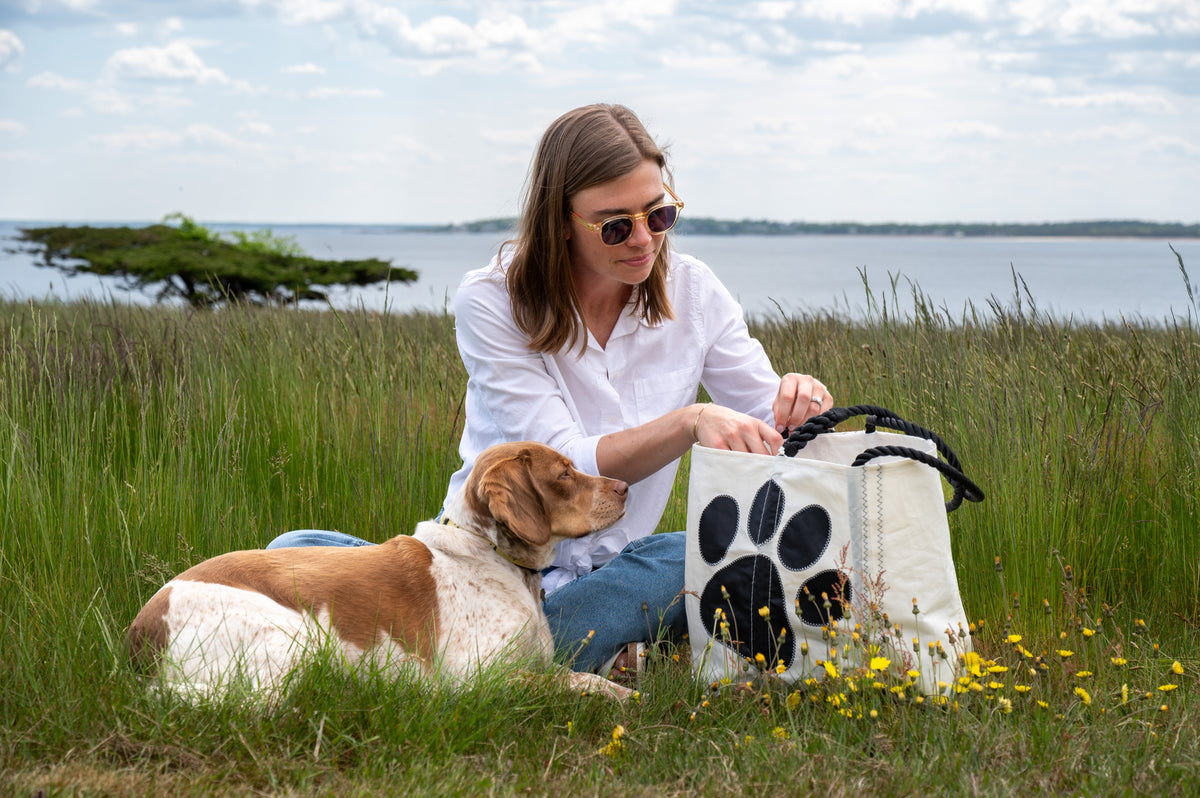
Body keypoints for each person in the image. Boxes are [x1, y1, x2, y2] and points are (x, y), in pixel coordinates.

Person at [268, 103, 832, 676]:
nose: (644, 240)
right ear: (560, 219)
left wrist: (802, 403)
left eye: (658, 214)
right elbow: (568, 458)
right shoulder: (492, 300)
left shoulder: (696, 292)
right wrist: (690, 421)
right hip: (490, 565)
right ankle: (589, 648)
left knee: (685, 554)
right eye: (615, 225)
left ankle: (482, 654)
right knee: (291, 552)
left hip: (620, 565)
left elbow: (777, 426)